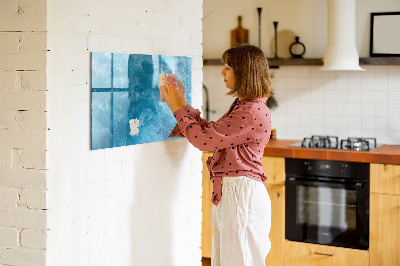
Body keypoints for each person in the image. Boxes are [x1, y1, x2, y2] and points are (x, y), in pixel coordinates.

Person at [161, 44, 273, 266]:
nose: (222, 72)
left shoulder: (250, 111)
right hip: (236, 193)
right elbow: (212, 133)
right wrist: (182, 103)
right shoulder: (246, 106)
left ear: (244, 72)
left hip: (241, 195)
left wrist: (176, 108)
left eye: (228, 67)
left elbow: (204, 141)